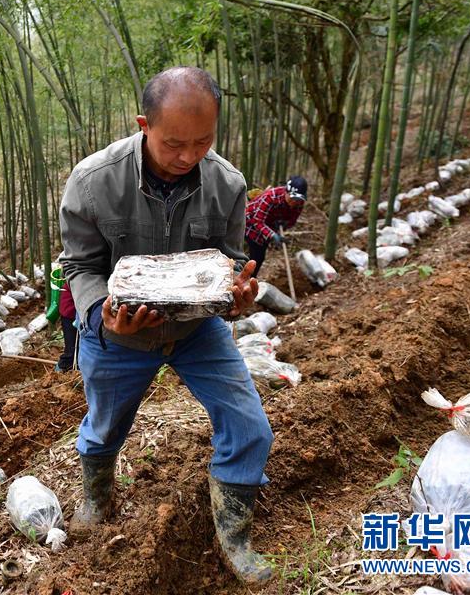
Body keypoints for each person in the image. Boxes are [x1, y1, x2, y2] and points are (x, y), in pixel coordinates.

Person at [59, 66, 273, 584]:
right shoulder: (93, 182)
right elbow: (79, 266)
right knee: (105, 427)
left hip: (197, 331)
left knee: (250, 426)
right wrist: (99, 314)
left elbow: (227, 259)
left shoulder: (227, 183)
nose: (187, 156)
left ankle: (234, 535)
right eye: (174, 143)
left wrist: (235, 294)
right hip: (119, 333)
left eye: (203, 142)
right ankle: (97, 497)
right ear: (143, 124)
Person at [244, 176, 308, 276]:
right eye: (292, 198)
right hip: (249, 222)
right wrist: (273, 235)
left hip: (266, 228)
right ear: (286, 192)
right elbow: (257, 221)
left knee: (258, 258)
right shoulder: (271, 196)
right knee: (248, 254)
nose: (294, 202)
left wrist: (285, 223)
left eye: (298, 199)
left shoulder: (299, 204)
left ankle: (250, 281)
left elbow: (292, 221)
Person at [55, 281, 77, 372]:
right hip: (69, 313)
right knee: (71, 349)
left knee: (74, 346)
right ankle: (60, 370)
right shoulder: (77, 278)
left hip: (71, 312)